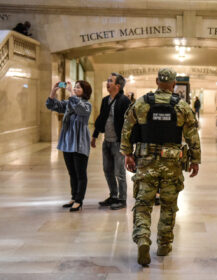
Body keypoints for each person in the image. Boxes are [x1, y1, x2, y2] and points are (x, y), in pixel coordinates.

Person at [120, 68, 201, 266]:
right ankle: (164, 244)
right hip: (172, 162)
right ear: (174, 84)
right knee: (168, 205)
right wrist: (195, 160)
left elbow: (127, 129)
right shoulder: (182, 106)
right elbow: (192, 136)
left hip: (146, 160)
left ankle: (142, 238)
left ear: (157, 81)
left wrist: (128, 154)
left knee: (143, 203)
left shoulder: (141, 103)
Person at [46, 81, 92, 212]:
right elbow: (52, 105)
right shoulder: (68, 104)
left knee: (80, 173)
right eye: (75, 87)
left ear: (85, 91)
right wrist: (53, 91)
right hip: (67, 143)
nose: (75, 89)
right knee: (72, 172)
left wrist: (71, 91)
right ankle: (73, 197)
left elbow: (79, 107)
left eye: (78, 87)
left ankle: (79, 200)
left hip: (80, 143)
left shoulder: (87, 105)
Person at [91, 73, 131, 210]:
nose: (107, 83)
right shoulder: (105, 100)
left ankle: (122, 199)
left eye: (110, 81)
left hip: (119, 143)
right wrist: (95, 135)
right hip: (106, 141)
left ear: (118, 86)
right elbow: (101, 118)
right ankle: (113, 195)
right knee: (107, 170)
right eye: (107, 80)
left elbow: (129, 123)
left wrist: (128, 143)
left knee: (119, 172)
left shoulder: (125, 101)